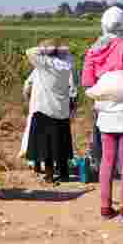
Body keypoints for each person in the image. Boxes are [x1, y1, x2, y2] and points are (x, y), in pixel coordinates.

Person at [81, 6, 123, 220]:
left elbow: (87, 82)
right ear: (122, 24)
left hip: (106, 113)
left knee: (106, 160)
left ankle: (105, 208)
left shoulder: (93, 50)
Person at [23, 39, 78, 184]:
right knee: (62, 142)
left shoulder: (45, 64)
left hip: (45, 109)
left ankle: (49, 175)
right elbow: (68, 54)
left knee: (46, 145)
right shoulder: (67, 63)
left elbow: (29, 51)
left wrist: (45, 49)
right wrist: (58, 49)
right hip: (62, 109)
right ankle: (64, 173)